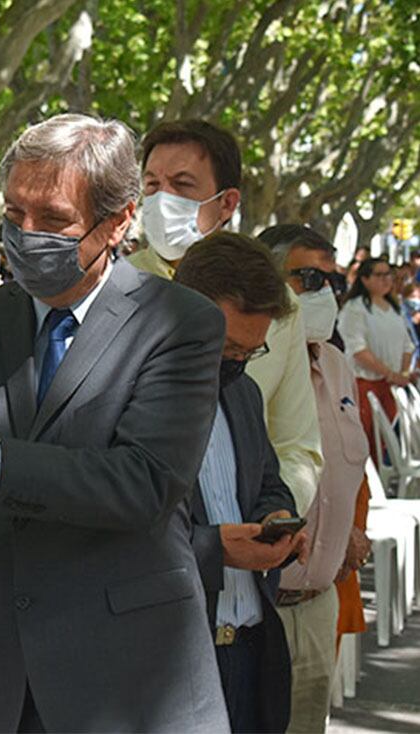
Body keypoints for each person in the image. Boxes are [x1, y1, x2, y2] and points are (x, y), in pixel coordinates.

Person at [0, 113, 230, 731]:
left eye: (53, 220)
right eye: (15, 214)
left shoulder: (181, 324)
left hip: (125, 683)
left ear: (121, 219)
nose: (26, 234)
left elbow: (142, 484)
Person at [128, 118, 323, 518]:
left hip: (248, 558)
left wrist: (273, 516)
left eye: (182, 186)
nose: (163, 200)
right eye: (151, 185)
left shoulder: (277, 305)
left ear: (228, 203)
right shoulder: (114, 293)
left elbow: (296, 443)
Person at [173, 233, 303, 733]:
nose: (236, 363)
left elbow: (269, 480)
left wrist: (276, 518)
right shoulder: (132, 398)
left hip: (251, 651)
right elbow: (118, 527)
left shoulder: (244, 393)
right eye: (226, 347)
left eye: (251, 351)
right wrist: (215, 548)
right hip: (179, 662)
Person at [261, 224, 369, 733]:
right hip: (256, 608)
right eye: (307, 278)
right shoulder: (243, 362)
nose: (324, 292)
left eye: (334, 281)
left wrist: (345, 526)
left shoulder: (337, 365)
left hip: (319, 600)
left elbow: (343, 470)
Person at [337, 257, 414, 458]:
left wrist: (402, 374)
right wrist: (390, 373)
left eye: (388, 274)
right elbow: (358, 349)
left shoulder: (393, 308)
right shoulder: (355, 308)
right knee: (365, 443)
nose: (386, 279)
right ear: (364, 279)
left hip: (391, 386)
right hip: (364, 385)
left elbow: (407, 345)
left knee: (384, 443)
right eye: (379, 275)